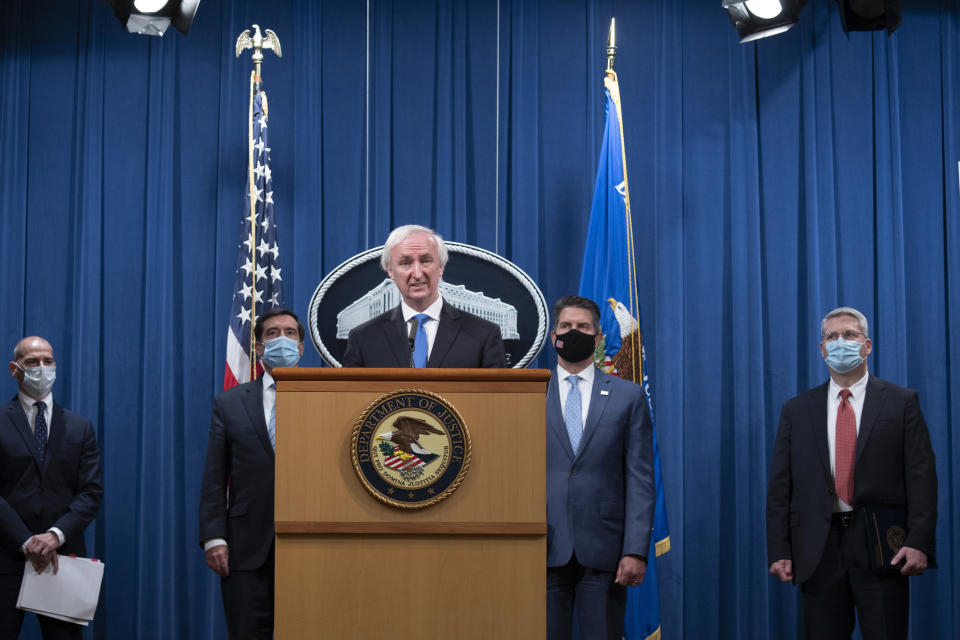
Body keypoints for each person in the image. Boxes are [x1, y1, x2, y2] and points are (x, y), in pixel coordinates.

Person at [766, 306, 937, 640]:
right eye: (831, 337)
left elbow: (922, 479)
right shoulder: (797, 411)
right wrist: (779, 550)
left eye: (849, 335)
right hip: (818, 550)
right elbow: (780, 487)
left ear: (867, 345)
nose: (840, 342)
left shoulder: (901, 403)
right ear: (821, 348)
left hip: (882, 548)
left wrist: (919, 542)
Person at [545, 296, 655, 640]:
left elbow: (640, 479)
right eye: (565, 327)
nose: (573, 332)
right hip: (540, 548)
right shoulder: (528, 393)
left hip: (605, 551)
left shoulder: (628, 396)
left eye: (583, 327)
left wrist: (635, 549)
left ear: (598, 338)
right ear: (553, 337)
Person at [198, 309, 305, 639]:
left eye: (290, 333)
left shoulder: (324, 398)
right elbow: (215, 476)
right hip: (245, 548)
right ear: (258, 348)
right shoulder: (229, 404)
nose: (282, 339)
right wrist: (214, 536)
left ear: (302, 347)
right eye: (272, 333)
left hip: (309, 542)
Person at [1, 336, 103, 639]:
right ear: (14, 369)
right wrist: (26, 541)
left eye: (48, 361)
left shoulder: (79, 427)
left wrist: (54, 535)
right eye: (32, 362)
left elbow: (91, 492)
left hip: (63, 561)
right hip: (6, 556)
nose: (42, 368)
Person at [340, 224, 507, 368]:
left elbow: (495, 401)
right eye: (405, 263)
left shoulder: (484, 334)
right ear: (390, 270)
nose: (417, 274)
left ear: (441, 266)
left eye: (426, 261)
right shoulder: (363, 339)